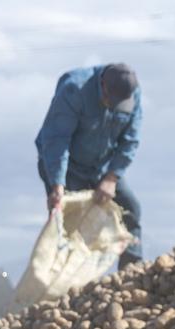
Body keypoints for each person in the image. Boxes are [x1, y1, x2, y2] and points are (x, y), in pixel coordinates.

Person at [35, 62, 143, 269]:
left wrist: (111, 179)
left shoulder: (132, 94)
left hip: (103, 168)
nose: (114, 105)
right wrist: (58, 185)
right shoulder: (74, 89)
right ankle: (64, 283)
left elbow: (131, 140)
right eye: (111, 100)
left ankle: (131, 276)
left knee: (131, 211)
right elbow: (57, 140)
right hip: (67, 167)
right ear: (102, 85)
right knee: (69, 225)